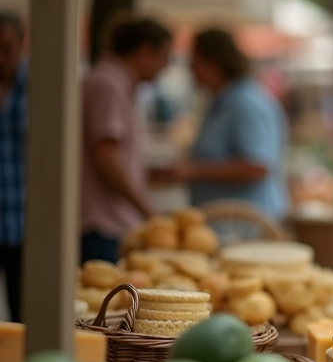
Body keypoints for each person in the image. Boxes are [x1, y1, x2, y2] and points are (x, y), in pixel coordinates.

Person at [160, 28, 289, 222]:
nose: (191, 67)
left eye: (194, 59)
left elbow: (257, 166)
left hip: (247, 229)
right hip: (229, 225)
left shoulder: (246, 103)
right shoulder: (222, 102)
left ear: (213, 62)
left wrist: (194, 169)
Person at [80, 15, 172, 264]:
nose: (165, 66)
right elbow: (106, 156)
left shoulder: (113, 82)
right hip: (103, 225)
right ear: (145, 52)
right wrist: (148, 210)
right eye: (164, 57)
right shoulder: (109, 84)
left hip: (106, 224)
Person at [0, 12, 26, 322]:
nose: (1, 57)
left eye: (7, 48)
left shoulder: (40, 88)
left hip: (25, 223)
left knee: (24, 313)